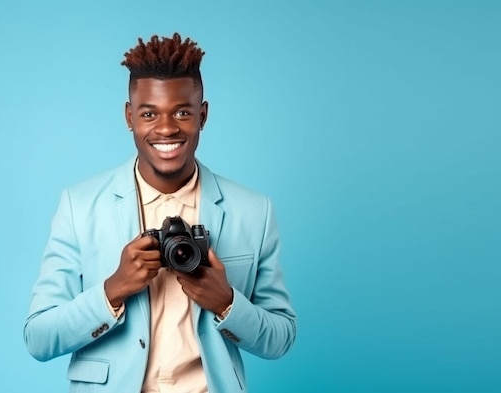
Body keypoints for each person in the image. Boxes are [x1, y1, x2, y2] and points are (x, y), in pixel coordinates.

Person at [24, 32, 297, 393]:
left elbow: (280, 338)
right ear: (129, 117)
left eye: (182, 112)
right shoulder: (80, 206)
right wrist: (113, 290)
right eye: (149, 113)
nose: (166, 128)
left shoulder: (253, 211)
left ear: (203, 115)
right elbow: (38, 338)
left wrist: (227, 303)